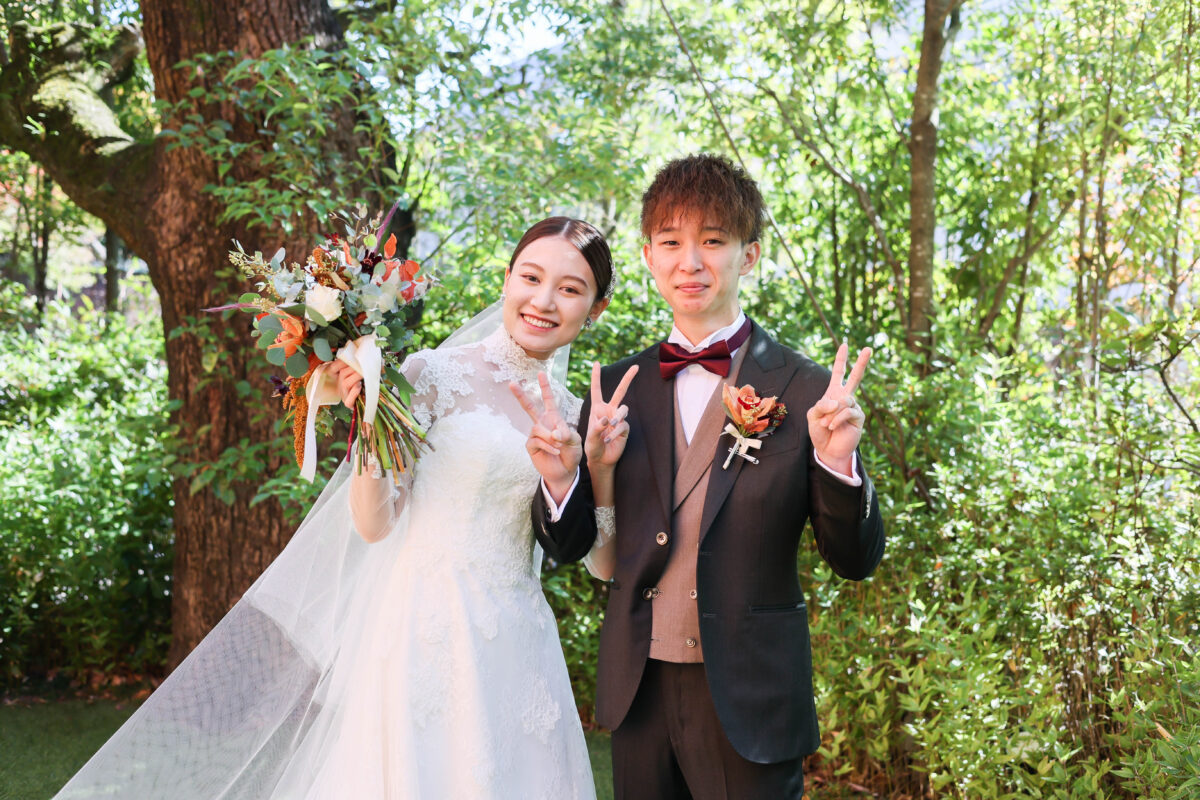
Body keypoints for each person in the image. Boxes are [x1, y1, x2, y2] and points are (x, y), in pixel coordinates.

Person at [55, 216, 634, 800]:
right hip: (423, 634)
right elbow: (374, 524)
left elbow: (601, 564)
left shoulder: (581, 415)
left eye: (570, 288)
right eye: (531, 277)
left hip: (517, 644)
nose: (543, 300)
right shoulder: (431, 375)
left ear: (596, 309)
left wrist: (597, 468)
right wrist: (370, 424)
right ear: (507, 279)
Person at [530, 154, 886, 800]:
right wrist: (563, 481)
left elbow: (855, 560)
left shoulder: (807, 389)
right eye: (671, 243)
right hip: (638, 692)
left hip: (753, 696)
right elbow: (576, 546)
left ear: (749, 256)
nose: (690, 263)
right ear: (648, 256)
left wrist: (838, 464)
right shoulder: (615, 388)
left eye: (713, 241)